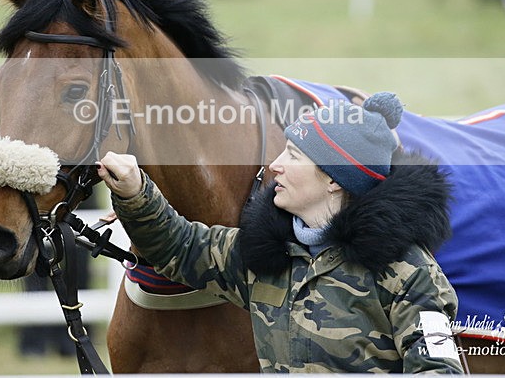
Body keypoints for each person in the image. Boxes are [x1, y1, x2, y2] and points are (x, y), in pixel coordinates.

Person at [96, 92, 463, 374]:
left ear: (334, 179)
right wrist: (135, 191)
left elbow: (439, 370)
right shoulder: (267, 253)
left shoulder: (410, 275)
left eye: (293, 154)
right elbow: (181, 247)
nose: (276, 165)